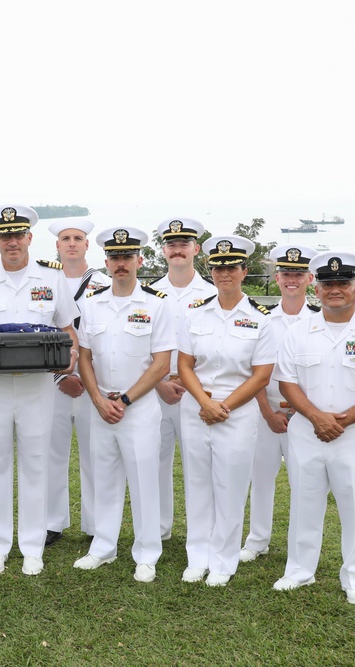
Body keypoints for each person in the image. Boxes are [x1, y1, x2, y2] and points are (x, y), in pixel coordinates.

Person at [272, 251, 355, 606]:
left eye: (343, 283)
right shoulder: (298, 332)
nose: (335, 289)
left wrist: (339, 421)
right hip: (307, 433)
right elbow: (287, 384)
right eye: (327, 283)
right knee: (304, 505)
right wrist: (317, 418)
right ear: (316, 288)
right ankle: (299, 571)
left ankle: (354, 577)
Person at [0, 205, 80, 576]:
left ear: (29, 238)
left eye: (19, 235)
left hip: (37, 387)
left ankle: (31, 547)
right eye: (5, 236)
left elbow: (68, 330)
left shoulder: (52, 277)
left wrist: (72, 358)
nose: (12, 242)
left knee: (34, 464)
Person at [73, 226, 176, 582]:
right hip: (100, 404)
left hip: (139, 408)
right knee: (104, 478)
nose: (121, 264)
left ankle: (147, 553)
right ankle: (103, 547)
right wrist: (99, 399)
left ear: (139, 260)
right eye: (115, 258)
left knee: (144, 481)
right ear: (106, 261)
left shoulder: (156, 304)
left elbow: (162, 363)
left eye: (127, 257)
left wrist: (126, 400)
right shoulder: (92, 302)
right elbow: (84, 357)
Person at [177, 234, 276, 587]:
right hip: (197, 408)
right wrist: (205, 403)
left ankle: (222, 561)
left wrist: (224, 406)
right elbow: (184, 364)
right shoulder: (194, 313)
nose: (224, 274)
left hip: (238, 412)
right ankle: (197, 557)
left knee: (230, 488)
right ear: (211, 270)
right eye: (218, 267)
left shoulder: (261, 319)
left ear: (244, 271)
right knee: (198, 485)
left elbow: (262, 373)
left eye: (231, 267)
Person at [239, 245, 318, 563]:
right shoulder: (262, 320)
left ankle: (300, 547)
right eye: (286, 273)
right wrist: (267, 412)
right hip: (266, 411)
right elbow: (253, 371)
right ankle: (257, 540)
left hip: (305, 414)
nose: (292, 280)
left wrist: (300, 409)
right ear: (276, 277)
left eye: (299, 274)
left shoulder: (318, 321)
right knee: (260, 478)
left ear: (310, 278)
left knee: (305, 482)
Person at [149, 218, 217, 541]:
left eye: (184, 244)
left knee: (198, 466)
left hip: (196, 392)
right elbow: (142, 345)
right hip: (157, 390)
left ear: (196, 249)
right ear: (163, 250)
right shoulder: (150, 294)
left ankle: (200, 533)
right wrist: (159, 381)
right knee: (156, 461)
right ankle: (160, 529)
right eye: (171, 245)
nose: (178, 250)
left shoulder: (212, 293)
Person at [44, 218, 111, 546]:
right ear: (56, 246)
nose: (72, 243)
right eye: (65, 238)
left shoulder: (103, 283)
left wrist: (87, 377)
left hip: (91, 383)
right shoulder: (45, 281)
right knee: (51, 452)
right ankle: (51, 522)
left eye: (78, 238)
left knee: (94, 453)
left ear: (88, 245)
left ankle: (95, 524)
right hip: (53, 383)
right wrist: (60, 375)